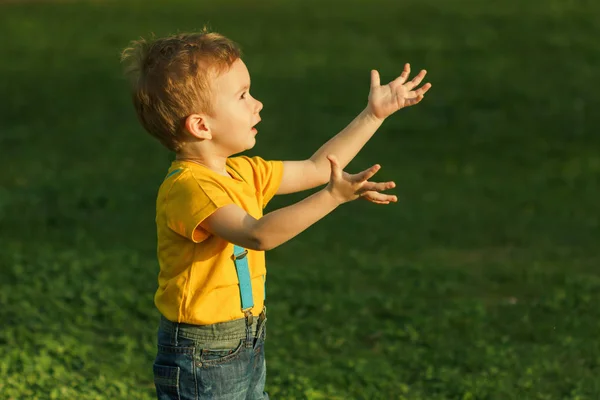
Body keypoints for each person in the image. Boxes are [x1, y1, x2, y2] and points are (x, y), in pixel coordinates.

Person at [121, 29, 431, 400]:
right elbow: (258, 234)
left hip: (245, 338)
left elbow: (318, 167)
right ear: (201, 125)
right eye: (242, 96)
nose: (258, 104)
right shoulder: (190, 189)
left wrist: (373, 114)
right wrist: (332, 197)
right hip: (203, 352)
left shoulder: (243, 172)